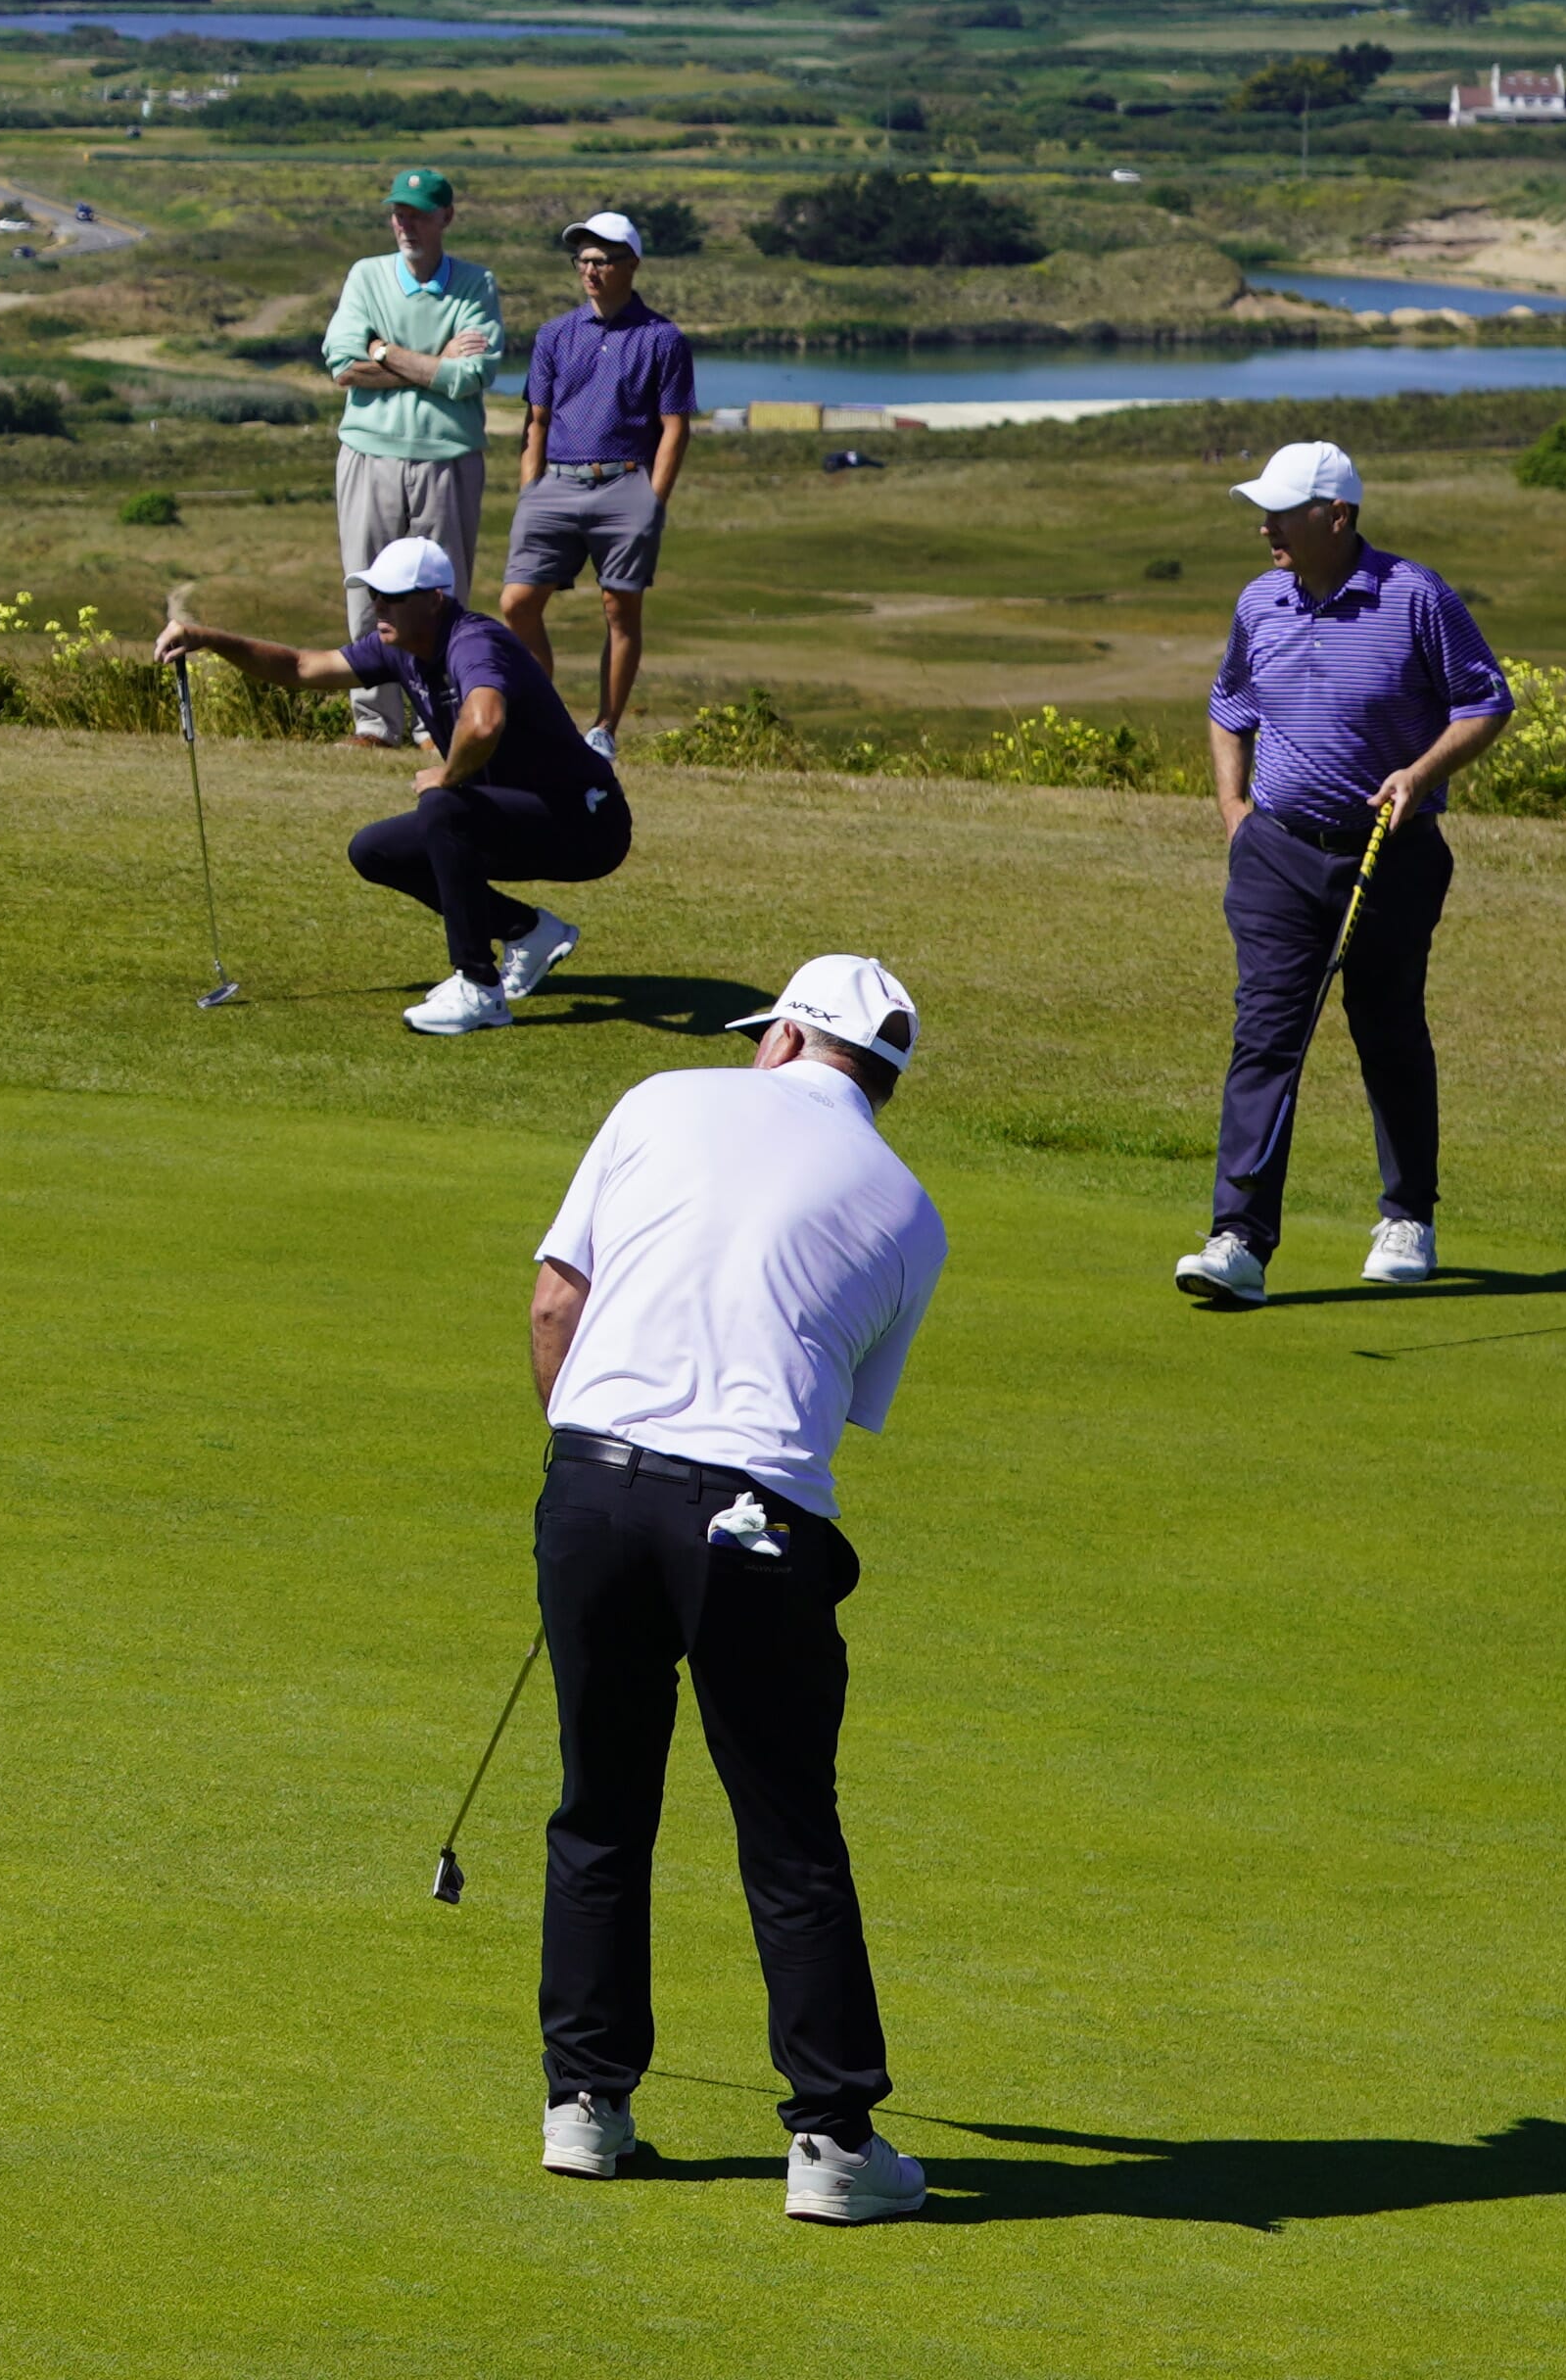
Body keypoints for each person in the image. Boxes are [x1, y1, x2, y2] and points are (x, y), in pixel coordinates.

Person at [521, 953, 950, 2224]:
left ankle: (584, 2109)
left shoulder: (657, 1095)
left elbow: (556, 1304)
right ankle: (829, 2146)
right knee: (784, 1829)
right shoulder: (906, 1207)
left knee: (599, 1805)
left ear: (778, 1039)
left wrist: (583, 1476)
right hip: (755, 1523)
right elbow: (842, 1413)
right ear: (877, 1080)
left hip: (591, 1489)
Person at [1177, 439, 1508, 1305]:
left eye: (1282, 513)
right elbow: (1228, 710)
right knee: (1267, 1039)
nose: (1265, 527)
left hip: (1388, 855)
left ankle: (1408, 1217)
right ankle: (1237, 1243)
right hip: (1277, 855)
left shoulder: (1415, 596)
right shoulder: (1261, 601)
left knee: (1387, 1030)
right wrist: (1233, 813)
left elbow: (1486, 700)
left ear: (1338, 516)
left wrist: (1420, 774)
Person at [154, 538, 627, 1033]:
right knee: (375, 850)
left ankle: (479, 987)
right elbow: (301, 667)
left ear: (435, 599)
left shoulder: (472, 641)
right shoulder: (398, 647)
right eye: (375, 594)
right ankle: (525, 932)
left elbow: (485, 722)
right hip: (522, 815)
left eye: (393, 596)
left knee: (445, 806)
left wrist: (446, 775)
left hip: (584, 823)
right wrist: (208, 639)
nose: (379, 605)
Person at [321, 166, 506, 736]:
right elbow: (343, 367)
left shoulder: (477, 283)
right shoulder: (366, 275)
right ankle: (375, 723)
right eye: (399, 212)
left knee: (441, 596)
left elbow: (471, 376)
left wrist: (384, 350)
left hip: (447, 457)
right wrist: (431, 360)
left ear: (446, 218)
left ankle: (438, 723)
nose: (406, 223)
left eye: (419, 213)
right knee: (367, 589)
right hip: (369, 456)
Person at [502, 211, 703, 736]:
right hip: (557, 484)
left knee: (620, 610)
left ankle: (604, 729)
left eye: (604, 260)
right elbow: (537, 420)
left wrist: (653, 503)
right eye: (584, 260)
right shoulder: (554, 334)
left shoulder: (663, 338)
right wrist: (531, 491)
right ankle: (542, 713)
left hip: (625, 483)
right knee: (517, 603)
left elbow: (675, 428)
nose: (591, 271)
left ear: (632, 264)